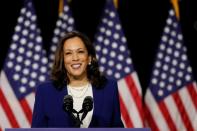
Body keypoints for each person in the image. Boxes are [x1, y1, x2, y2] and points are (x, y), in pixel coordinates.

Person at [31, 31, 124, 128]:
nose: (75, 58)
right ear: (63, 60)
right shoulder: (45, 92)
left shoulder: (109, 88)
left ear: (89, 58)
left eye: (80, 52)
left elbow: (117, 127)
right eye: (68, 53)